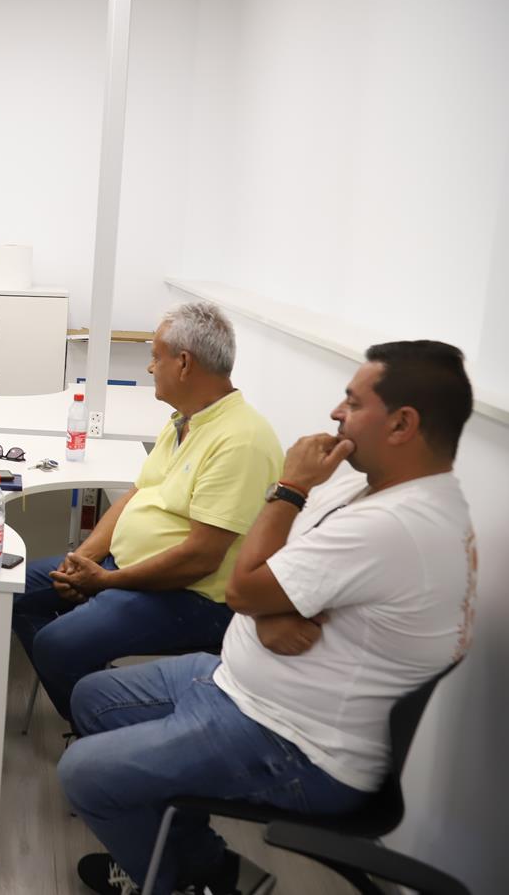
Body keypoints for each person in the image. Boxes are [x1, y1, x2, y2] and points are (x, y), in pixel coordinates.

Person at [59, 340, 477, 895]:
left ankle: (179, 884)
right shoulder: (368, 488)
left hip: (291, 741)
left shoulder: (395, 525)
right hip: (242, 686)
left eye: (352, 403)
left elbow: (246, 585)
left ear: (402, 423)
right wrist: (263, 611)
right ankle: (205, 867)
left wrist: (290, 489)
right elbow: (270, 578)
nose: (335, 413)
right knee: (94, 698)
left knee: (84, 774)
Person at [12, 302, 282, 722]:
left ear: (185, 363)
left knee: (56, 645)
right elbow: (134, 498)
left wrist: (105, 582)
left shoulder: (241, 440)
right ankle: (97, 705)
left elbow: (200, 558)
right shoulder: (184, 421)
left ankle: (101, 724)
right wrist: (85, 561)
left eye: (156, 357)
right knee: (13, 589)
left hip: (194, 598)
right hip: (124, 570)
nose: (151, 367)